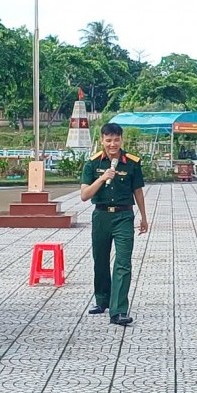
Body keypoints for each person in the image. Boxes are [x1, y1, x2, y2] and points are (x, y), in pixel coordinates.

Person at [79, 123, 150, 326]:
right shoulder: (92, 164)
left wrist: (144, 217)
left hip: (123, 217)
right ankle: (102, 300)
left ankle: (118, 310)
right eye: (108, 140)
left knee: (123, 261)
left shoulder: (132, 163)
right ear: (102, 140)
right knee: (100, 260)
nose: (112, 144)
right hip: (101, 217)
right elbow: (84, 195)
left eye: (116, 140)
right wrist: (102, 178)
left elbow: (138, 191)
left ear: (122, 140)